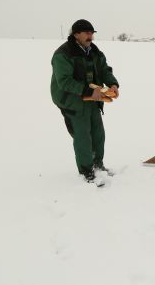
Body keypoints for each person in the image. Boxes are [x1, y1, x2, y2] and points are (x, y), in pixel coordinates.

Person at [50, 19, 120, 183]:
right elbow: (64, 81)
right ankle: (86, 171)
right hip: (71, 100)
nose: (90, 36)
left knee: (98, 134)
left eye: (92, 33)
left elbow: (104, 69)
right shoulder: (63, 54)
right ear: (76, 35)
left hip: (93, 98)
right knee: (82, 136)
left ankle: (98, 165)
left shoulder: (93, 50)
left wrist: (112, 83)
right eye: (86, 33)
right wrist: (89, 90)